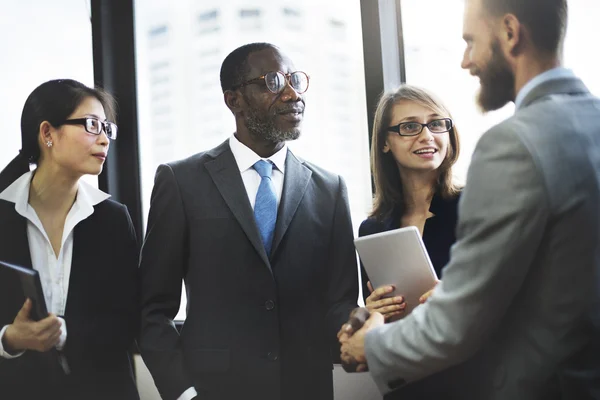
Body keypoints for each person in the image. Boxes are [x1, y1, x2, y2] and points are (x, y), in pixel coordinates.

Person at [339, 0, 600, 399]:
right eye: (409, 127)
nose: (466, 61)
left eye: (471, 41)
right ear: (386, 143)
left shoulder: (512, 143)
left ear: (510, 33)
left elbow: (463, 320)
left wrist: (369, 346)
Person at [138, 42, 359, 400]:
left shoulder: (330, 189)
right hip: (213, 390)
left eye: (295, 80)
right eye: (272, 82)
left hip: (306, 389)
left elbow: (340, 300)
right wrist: (183, 393)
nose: (292, 95)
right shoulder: (181, 182)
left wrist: (355, 327)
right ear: (233, 100)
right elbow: (152, 310)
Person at [0, 79, 140, 399]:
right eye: (92, 125)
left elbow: (129, 321)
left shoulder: (114, 220)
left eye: (107, 128)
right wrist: (9, 338)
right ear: (47, 133)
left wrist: (64, 334)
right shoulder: (2, 215)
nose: (105, 139)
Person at [359, 84, 469, 399]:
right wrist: (373, 312)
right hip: (409, 383)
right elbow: (376, 318)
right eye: (409, 127)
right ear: (384, 143)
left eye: (436, 123)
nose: (427, 135)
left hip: (474, 378)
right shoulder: (373, 230)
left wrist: (458, 296)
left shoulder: (478, 207)